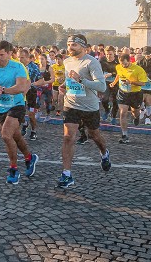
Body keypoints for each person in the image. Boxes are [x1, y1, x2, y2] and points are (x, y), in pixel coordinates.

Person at [57, 35, 111, 189]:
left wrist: (81, 80)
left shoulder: (91, 62)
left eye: (73, 45)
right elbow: (70, 80)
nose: (70, 47)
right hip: (71, 105)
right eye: (68, 44)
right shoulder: (67, 61)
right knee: (68, 137)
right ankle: (66, 174)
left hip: (89, 107)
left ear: (83, 46)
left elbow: (101, 86)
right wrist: (64, 86)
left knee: (95, 136)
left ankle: (104, 153)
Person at [0, 41, 38, 185]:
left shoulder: (18, 67)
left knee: (6, 134)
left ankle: (13, 168)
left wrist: (3, 90)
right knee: (15, 136)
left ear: (9, 54)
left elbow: (20, 87)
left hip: (17, 104)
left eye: (1, 55)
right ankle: (29, 157)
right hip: (0, 107)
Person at [112, 53, 149, 144]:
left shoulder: (138, 69)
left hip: (135, 93)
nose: (123, 66)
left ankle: (136, 117)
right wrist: (114, 82)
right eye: (121, 64)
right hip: (123, 93)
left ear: (129, 61)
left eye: (125, 64)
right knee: (122, 113)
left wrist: (131, 82)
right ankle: (124, 135)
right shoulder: (118, 67)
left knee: (135, 111)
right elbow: (118, 75)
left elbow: (143, 83)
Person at [99, 46, 120, 122]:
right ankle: (107, 110)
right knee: (104, 99)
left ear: (114, 53)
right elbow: (98, 70)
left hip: (116, 82)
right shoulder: (102, 60)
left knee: (115, 100)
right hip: (106, 82)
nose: (108, 56)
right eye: (107, 54)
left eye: (110, 54)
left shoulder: (118, 60)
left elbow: (121, 71)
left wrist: (111, 74)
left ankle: (113, 116)